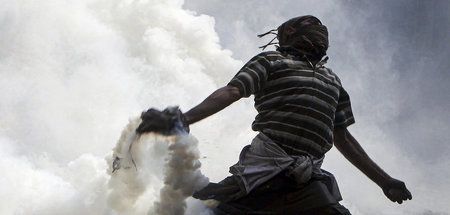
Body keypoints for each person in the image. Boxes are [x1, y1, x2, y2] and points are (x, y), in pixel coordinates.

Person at [137, 15, 412, 215]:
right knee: (199, 209)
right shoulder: (271, 61)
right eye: (313, 26)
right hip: (261, 174)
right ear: (290, 32)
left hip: (307, 183)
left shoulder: (333, 81)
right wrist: (182, 119)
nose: (321, 32)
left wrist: (384, 180)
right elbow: (232, 91)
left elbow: (342, 137)